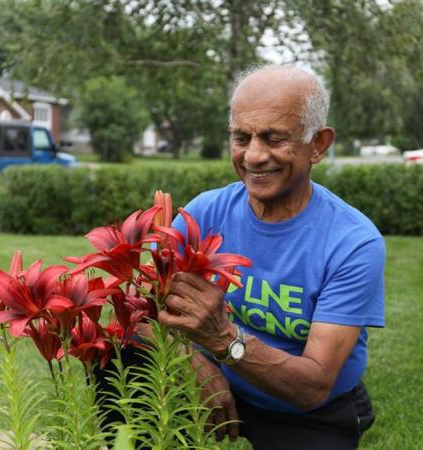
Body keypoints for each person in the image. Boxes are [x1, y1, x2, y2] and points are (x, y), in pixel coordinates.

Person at [157, 64, 386, 449]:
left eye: (274, 138)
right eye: (241, 137)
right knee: (119, 363)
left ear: (318, 144)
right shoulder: (203, 213)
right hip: (211, 370)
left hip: (306, 409)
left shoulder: (353, 242)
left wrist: (224, 340)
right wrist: (193, 362)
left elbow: (313, 385)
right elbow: (138, 310)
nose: (254, 156)